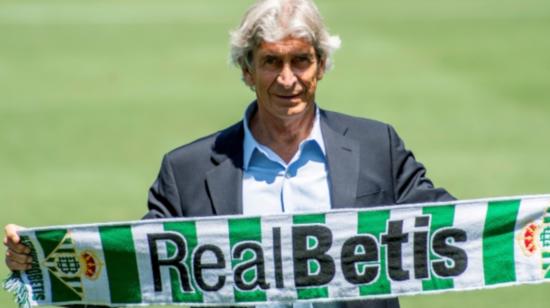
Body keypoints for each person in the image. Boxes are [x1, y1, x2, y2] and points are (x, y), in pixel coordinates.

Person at [4, 0, 454, 307]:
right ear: (246, 69)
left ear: (321, 65)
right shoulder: (187, 171)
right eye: (271, 62)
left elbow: (451, 229)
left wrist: (521, 227)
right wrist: (43, 260)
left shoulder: (378, 146)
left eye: (300, 61)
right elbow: (135, 268)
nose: (287, 80)